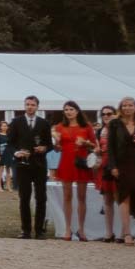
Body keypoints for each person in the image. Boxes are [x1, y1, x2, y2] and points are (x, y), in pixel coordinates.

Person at [105, 97, 135, 246]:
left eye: (130, 105)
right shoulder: (115, 124)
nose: (127, 108)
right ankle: (127, 233)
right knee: (124, 197)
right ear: (121, 108)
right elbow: (110, 147)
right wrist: (112, 166)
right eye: (124, 105)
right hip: (122, 164)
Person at [8, 96, 53, 239]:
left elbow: (50, 144)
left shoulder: (44, 123)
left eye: (32, 105)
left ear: (37, 107)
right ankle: (25, 230)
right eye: (27, 104)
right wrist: (16, 152)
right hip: (22, 164)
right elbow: (10, 143)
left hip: (39, 164)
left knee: (41, 197)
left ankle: (39, 230)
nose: (30, 107)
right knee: (24, 198)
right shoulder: (16, 122)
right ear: (24, 106)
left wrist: (44, 148)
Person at [53, 101, 94, 241]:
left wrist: (85, 143)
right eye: (66, 109)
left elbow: (95, 145)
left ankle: (82, 229)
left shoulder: (86, 126)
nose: (68, 112)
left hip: (81, 161)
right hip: (66, 162)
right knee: (67, 196)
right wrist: (57, 143)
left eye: (71, 109)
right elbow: (57, 148)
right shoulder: (60, 127)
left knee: (82, 196)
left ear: (77, 111)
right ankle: (67, 228)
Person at [93, 104, 118, 243]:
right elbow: (97, 148)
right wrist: (96, 151)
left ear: (115, 114)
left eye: (109, 113)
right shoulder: (99, 131)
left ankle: (123, 232)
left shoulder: (119, 128)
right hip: (104, 166)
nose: (106, 116)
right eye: (104, 114)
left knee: (121, 200)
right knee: (107, 201)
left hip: (117, 167)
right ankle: (109, 233)